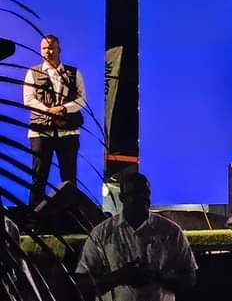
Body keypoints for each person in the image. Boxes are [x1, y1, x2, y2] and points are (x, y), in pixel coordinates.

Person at [76, 171, 197, 301]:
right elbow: (83, 283)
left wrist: (156, 276)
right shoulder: (102, 233)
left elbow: (190, 278)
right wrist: (120, 276)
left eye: (145, 193)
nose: (142, 198)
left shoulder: (171, 232)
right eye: (135, 194)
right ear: (122, 198)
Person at [23, 34, 86, 208]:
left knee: (69, 177)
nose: (48, 51)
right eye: (44, 48)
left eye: (51, 47)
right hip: (40, 131)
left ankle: (72, 216)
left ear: (59, 49)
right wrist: (49, 111)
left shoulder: (73, 73)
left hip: (68, 131)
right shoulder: (33, 72)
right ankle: (34, 219)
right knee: (39, 176)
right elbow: (29, 99)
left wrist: (64, 109)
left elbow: (82, 99)